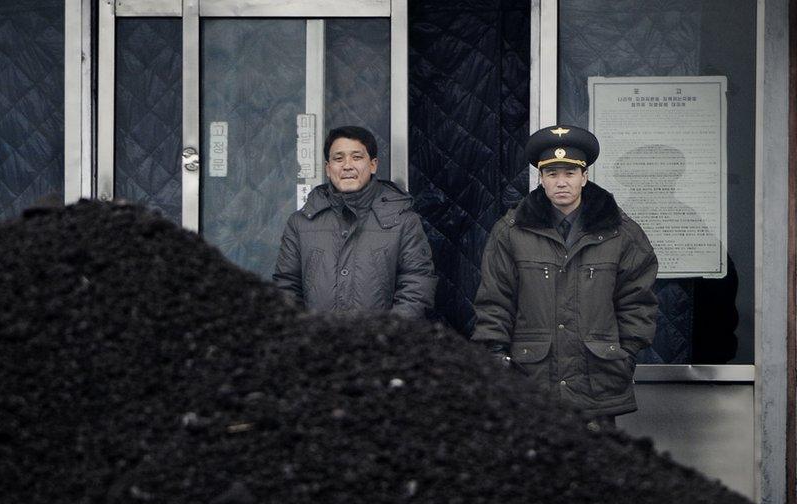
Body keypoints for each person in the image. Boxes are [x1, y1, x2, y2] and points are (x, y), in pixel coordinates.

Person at [472, 125, 658, 424]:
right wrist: (496, 360)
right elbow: (495, 301)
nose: (561, 182)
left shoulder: (620, 233)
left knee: (594, 468)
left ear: (584, 177)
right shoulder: (511, 232)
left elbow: (638, 302)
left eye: (570, 173)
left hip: (597, 383)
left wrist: (625, 356)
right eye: (552, 174)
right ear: (541, 179)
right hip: (529, 381)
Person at [273, 126, 436, 318]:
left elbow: (417, 284)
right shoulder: (301, 223)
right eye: (338, 158)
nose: (347, 165)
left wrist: (388, 336)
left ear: (373, 164)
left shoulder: (403, 220)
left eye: (357, 157)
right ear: (328, 167)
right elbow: (286, 287)